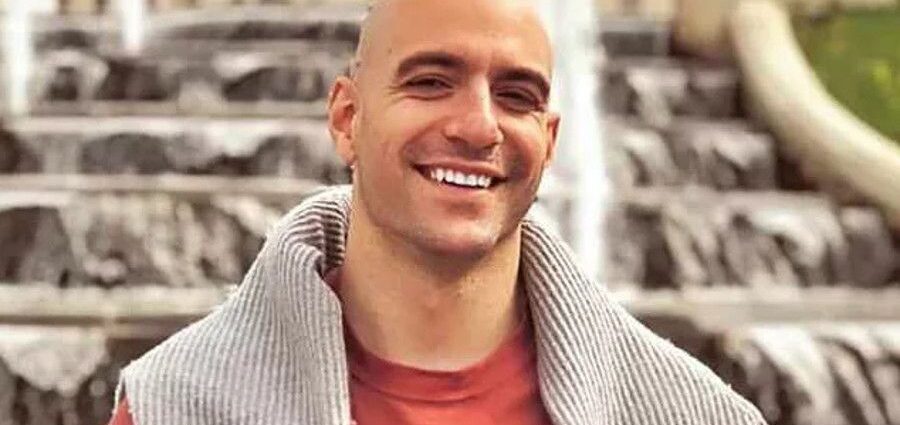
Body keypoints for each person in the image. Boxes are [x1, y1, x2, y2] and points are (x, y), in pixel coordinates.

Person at [108, 0, 767, 424]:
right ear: (346, 118)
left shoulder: (695, 413)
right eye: (431, 82)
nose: (479, 127)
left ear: (550, 142)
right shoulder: (177, 405)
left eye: (516, 95)